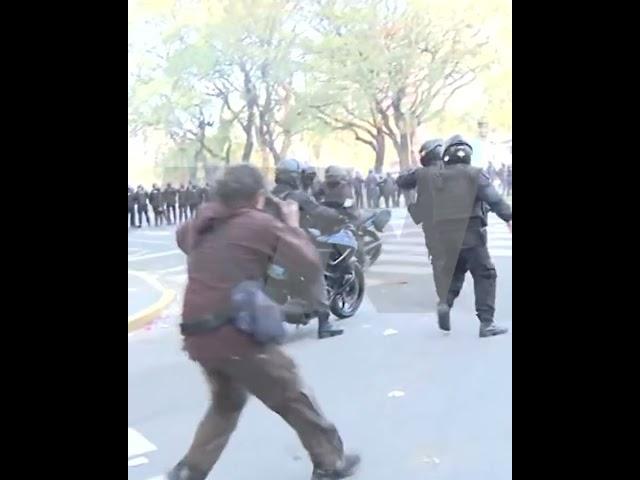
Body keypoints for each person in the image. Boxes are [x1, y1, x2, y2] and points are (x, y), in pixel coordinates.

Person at [166, 164, 360, 480]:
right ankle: (331, 462)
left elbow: (184, 239)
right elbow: (308, 263)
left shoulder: (200, 223)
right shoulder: (259, 224)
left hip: (197, 332)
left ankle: (190, 471)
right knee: (292, 393)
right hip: (235, 331)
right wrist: (291, 223)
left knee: (227, 403)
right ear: (257, 197)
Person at [427, 135, 512, 338]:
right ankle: (486, 323)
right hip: (471, 234)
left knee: (455, 273)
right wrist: (509, 218)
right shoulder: (475, 175)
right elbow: (494, 198)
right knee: (485, 274)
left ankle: (445, 303)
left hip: (444, 237)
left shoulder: (435, 177)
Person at [271, 158, 347, 339]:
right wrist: (338, 216)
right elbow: (319, 212)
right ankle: (324, 323)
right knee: (316, 274)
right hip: (291, 246)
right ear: (294, 177)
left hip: (270, 248)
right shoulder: (297, 196)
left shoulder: (269, 195)